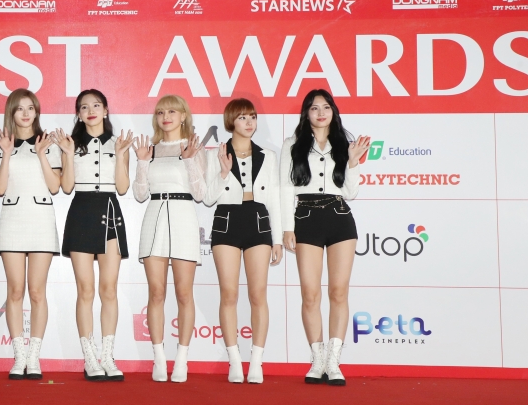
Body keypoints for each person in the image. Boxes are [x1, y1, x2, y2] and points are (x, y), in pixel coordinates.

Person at [280, 89, 370, 386]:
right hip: (305, 218)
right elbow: (285, 188)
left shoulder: (344, 144)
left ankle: (333, 361)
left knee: (338, 292)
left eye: (326, 107)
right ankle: (317, 359)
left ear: (334, 111)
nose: (321, 113)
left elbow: (351, 192)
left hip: (339, 216)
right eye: (314, 107)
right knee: (310, 293)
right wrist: (287, 227)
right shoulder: (292, 144)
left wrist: (353, 162)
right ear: (306, 113)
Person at [54, 89, 134, 381]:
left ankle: (108, 356)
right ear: (78, 113)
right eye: (84, 107)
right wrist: (67, 154)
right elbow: (66, 187)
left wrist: (122, 156)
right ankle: (90, 358)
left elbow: (123, 188)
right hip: (81, 212)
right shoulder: (71, 144)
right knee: (85, 290)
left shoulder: (118, 143)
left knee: (108, 290)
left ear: (106, 110)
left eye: (96, 105)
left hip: (110, 212)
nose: (91, 111)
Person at [204, 99, 283, 384]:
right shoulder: (216, 154)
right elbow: (208, 197)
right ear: (230, 121)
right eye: (242, 117)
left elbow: (274, 199)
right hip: (226, 220)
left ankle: (257, 361)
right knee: (229, 294)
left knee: (258, 294)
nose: (249, 122)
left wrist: (277, 239)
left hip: (258, 220)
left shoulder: (268, 156)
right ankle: (234, 360)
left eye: (252, 117)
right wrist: (223, 172)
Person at [132, 94, 206, 383]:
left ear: (183, 115)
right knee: (156, 292)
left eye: (172, 111)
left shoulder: (194, 148)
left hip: (184, 216)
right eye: (161, 112)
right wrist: (141, 162)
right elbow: (140, 194)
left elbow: (200, 194)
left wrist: (189, 161)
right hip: (154, 218)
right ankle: (159, 358)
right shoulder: (149, 150)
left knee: (184, 293)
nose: (166, 117)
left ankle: (182, 359)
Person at [0, 88, 62, 380]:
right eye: (19, 108)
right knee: (15, 290)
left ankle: (34, 357)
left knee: (36, 291)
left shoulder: (48, 142)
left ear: (36, 112)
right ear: (11, 111)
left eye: (30, 108)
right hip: (12, 219)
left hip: (41, 219)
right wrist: (7, 153)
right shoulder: (0, 144)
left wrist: (41, 154)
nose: (25, 113)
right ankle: (18, 356)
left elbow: (55, 186)